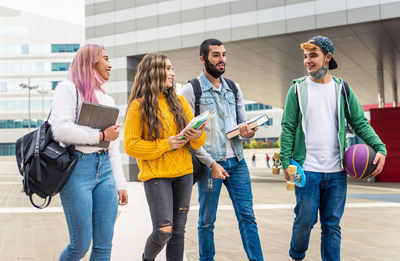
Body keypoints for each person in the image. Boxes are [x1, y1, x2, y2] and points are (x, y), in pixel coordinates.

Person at [280, 36, 387, 261]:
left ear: (328, 57)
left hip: (337, 171)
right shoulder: (297, 89)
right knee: (305, 221)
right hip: (306, 170)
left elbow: (359, 122)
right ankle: (296, 256)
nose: (307, 61)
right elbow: (288, 127)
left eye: (313, 55)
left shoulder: (342, 89)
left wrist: (380, 147)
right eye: (305, 56)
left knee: (332, 225)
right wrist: (285, 162)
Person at [180, 38, 264, 261]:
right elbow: (189, 138)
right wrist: (211, 163)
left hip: (237, 161)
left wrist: (248, 132)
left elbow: (242, 125)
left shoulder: (234, 89)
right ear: (203, 58)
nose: (221, 60)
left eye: (224, 55)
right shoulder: (190, 91)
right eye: (216, 55)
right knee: (207, 221)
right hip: (210, 164)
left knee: (248, 216)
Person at [123, 53, 206, 261]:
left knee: (178, 232)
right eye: (168, 68)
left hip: (184, 173)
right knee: (163, 230)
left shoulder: (179, 102)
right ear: (154, 72)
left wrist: (197, 134)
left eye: (172, 68)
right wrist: (165, 144)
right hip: (156, 175)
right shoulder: (138, 106)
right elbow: (130, 145)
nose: (173, 73)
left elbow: (197, 142)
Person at [50, 44, 128, 260]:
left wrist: (120, 183)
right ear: (90, 61)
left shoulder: (107, 99)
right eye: (105, 59)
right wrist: (100, 136)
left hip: (105, 171)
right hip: (77, 169)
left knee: (104, 245)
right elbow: (61, 130)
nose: (110, 64)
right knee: (80, 245)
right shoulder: (68, 88)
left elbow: (113, 148)